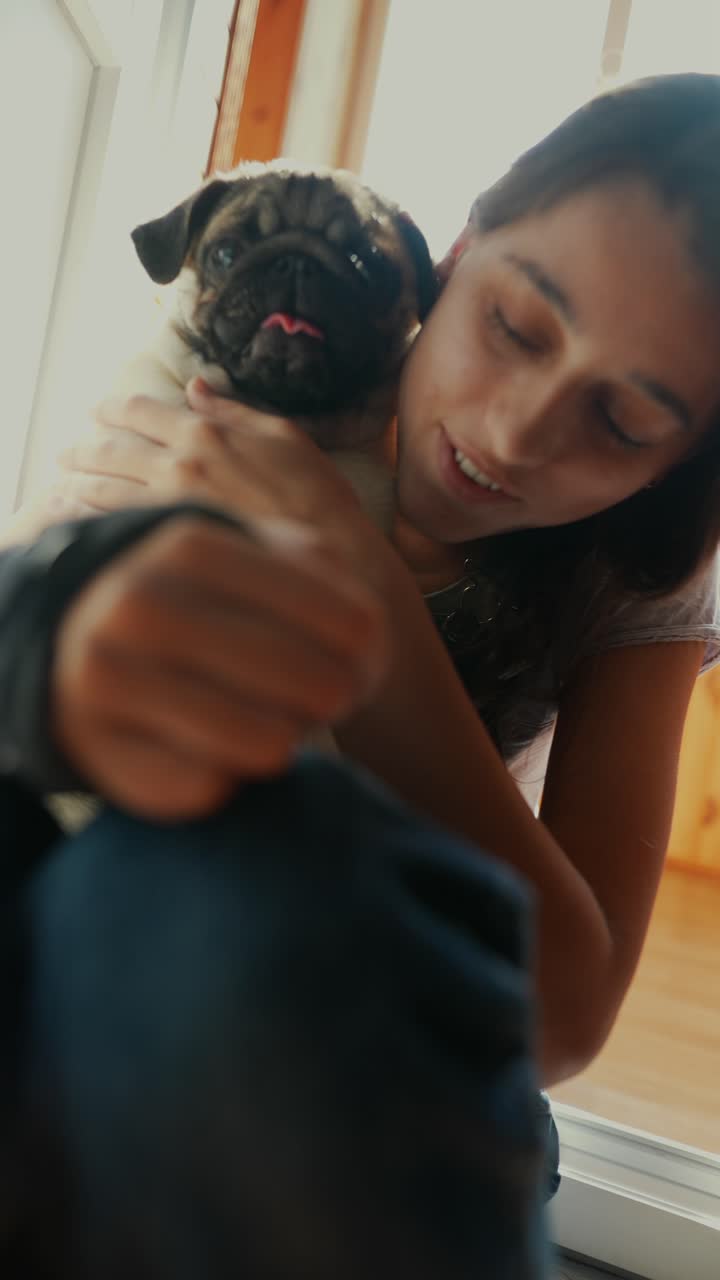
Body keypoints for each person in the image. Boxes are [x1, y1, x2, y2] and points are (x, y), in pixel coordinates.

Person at [3, 70, 720, 1272]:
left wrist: (371, 602)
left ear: (683, 463)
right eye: (516, 324)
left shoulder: (641, 581)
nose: (512, 433)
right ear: (457, 246)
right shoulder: (237, 386)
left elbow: (568, 1010)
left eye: (624, 424)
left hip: (387, 1028)